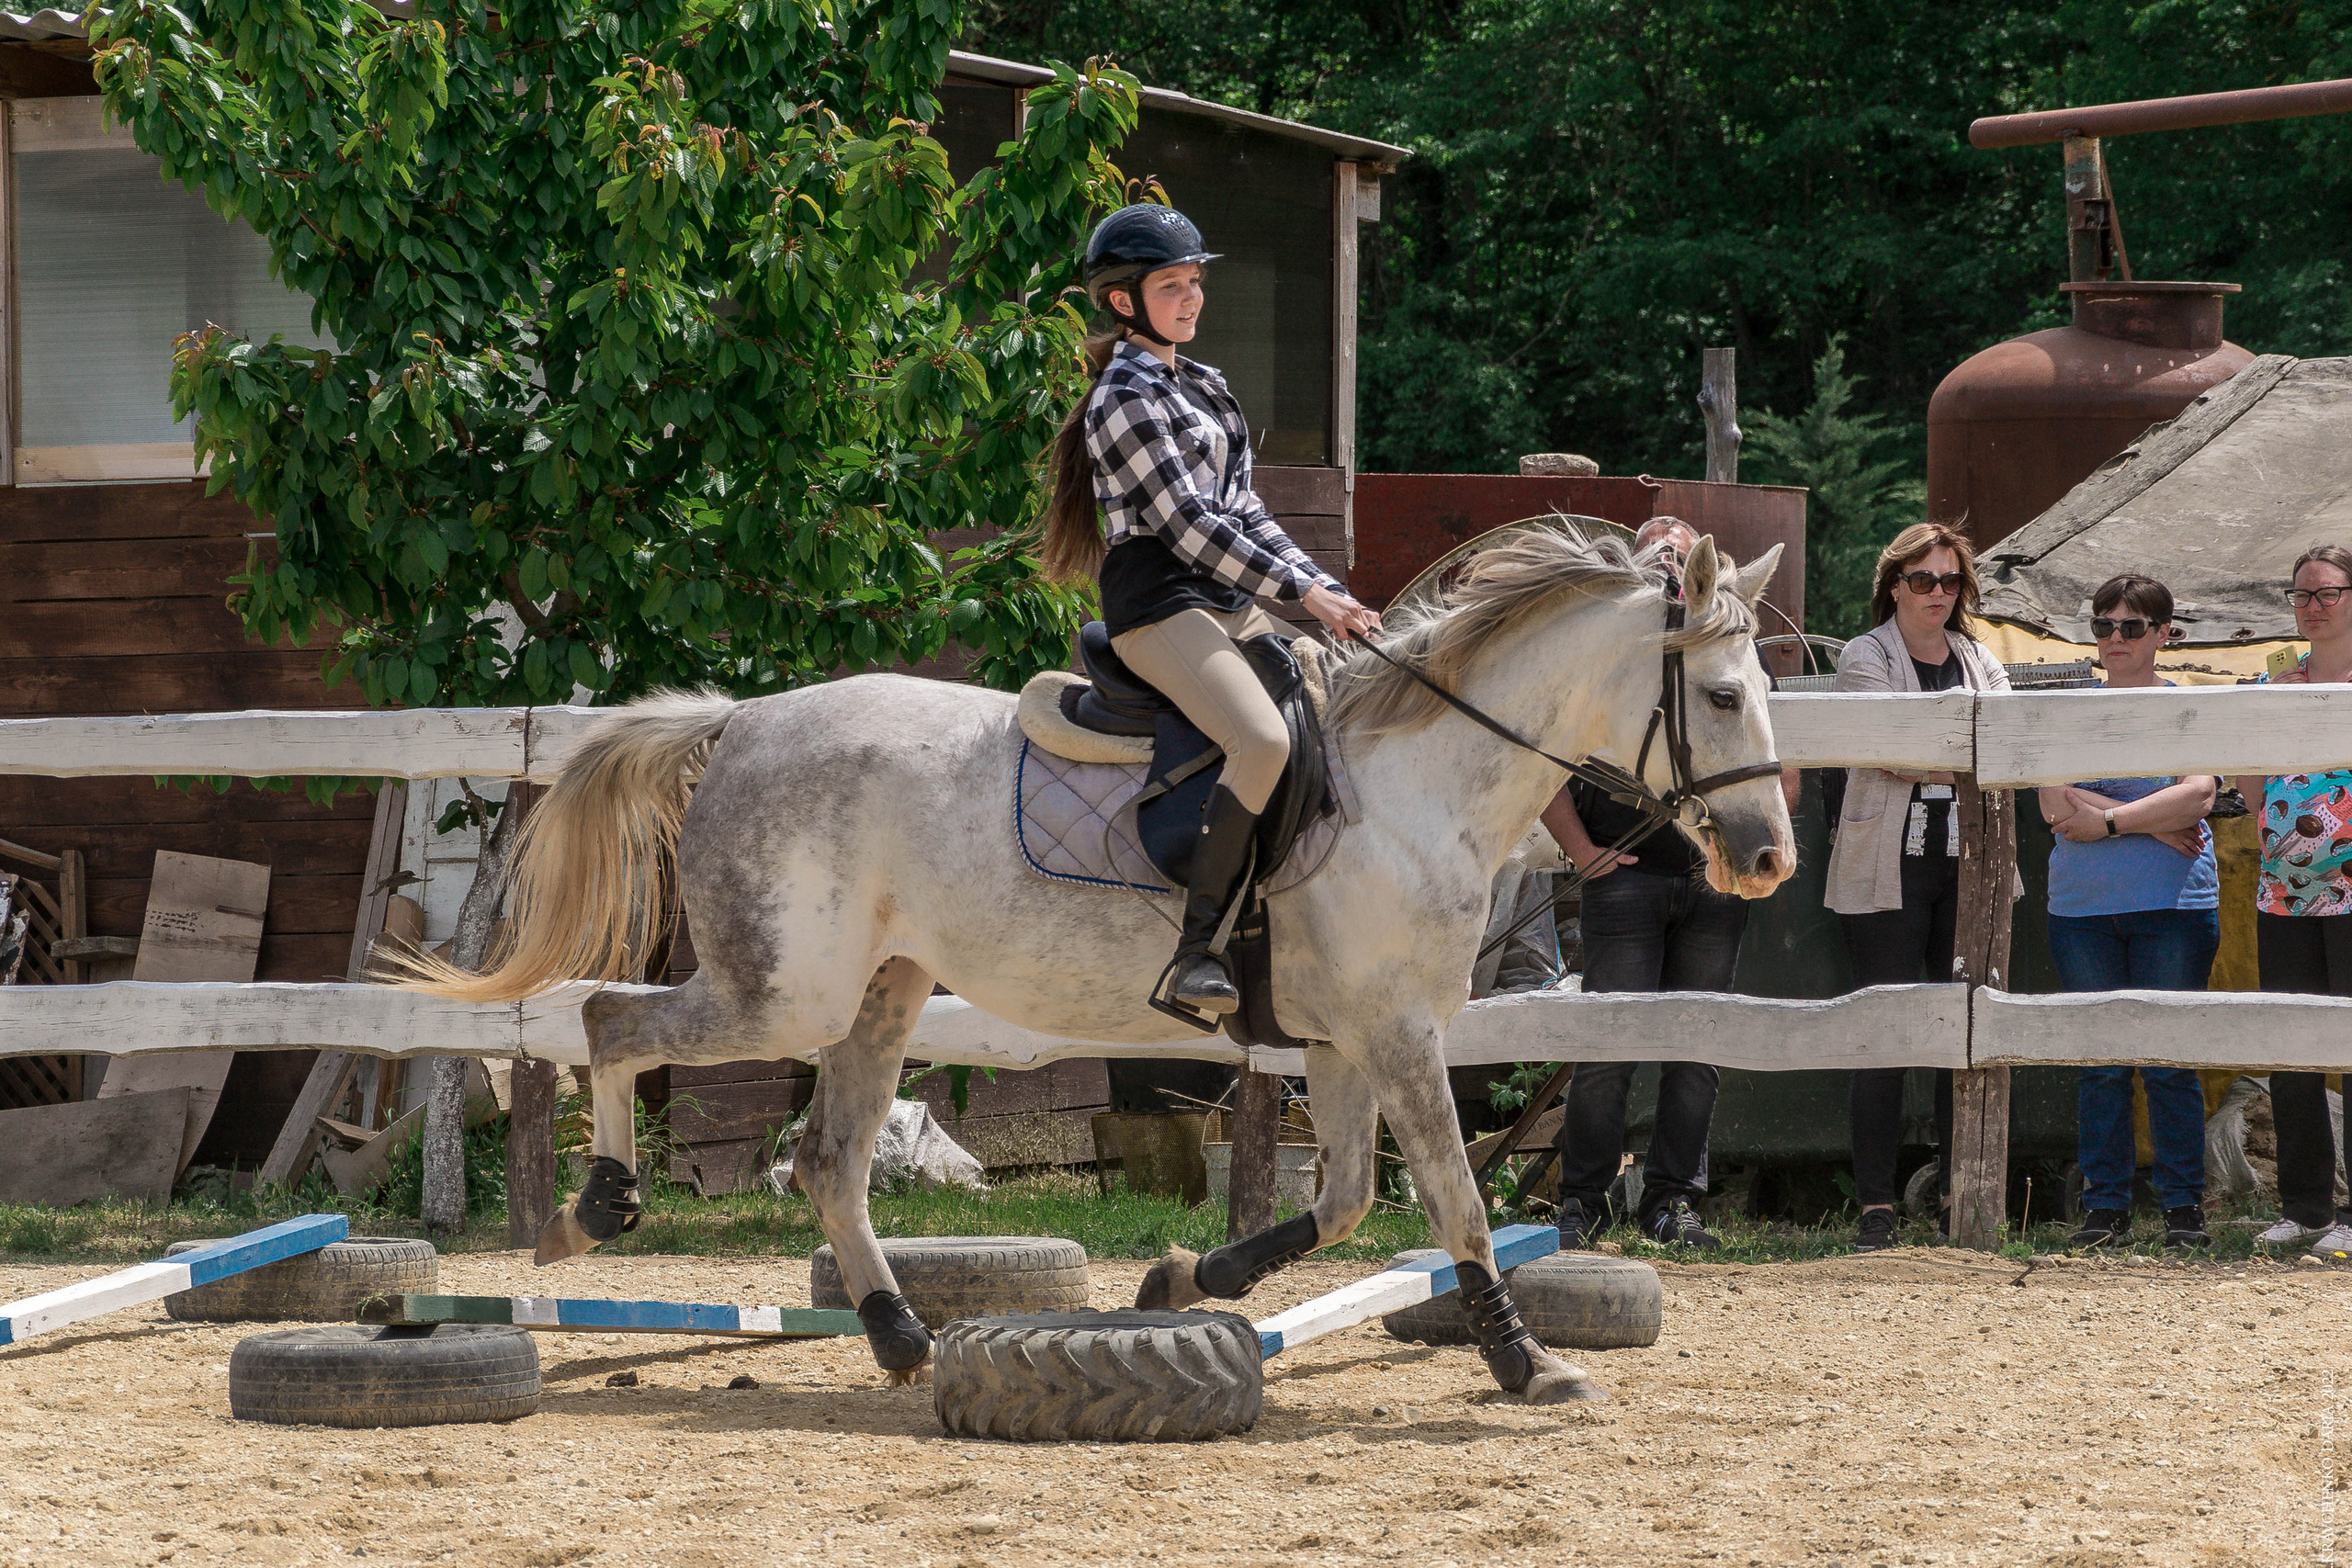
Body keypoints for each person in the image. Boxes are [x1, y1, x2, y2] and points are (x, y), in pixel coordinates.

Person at [1037, 204, 1382, 1013]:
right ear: (1123, 300)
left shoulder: (1205, 385)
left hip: (1224, 594)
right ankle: (1196, 952)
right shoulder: (1121, 397)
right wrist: (1299, 592)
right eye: (1172, 285)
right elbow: (1188, 526)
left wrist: (1328, 591)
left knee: (1336, 699)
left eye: (1195, 282)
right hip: (1159, 601)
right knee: (1260, 738)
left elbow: (1247, 512)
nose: (1192, 298)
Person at [1541, 516, 1800, 1251]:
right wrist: (1583, 849)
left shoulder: (1731, 656)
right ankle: (1584, 1199)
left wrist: (1763, 836)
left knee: (1696, 1049)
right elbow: (1546, 757)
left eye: (1679, 552)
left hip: (1710, 877)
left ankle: (1672, 1198)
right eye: (1658, 552)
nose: (1669, 562)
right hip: (1625, 874)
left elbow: (1774, 765)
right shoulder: (1616, 666)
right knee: (1608, 1046)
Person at [1825, 522, 2012, 1252]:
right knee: (1885, 1033)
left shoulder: (1979, 655)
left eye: (1950, 580)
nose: (1939, 592)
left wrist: (1936, 755)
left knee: (1963, 1032)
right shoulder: (1863, 655)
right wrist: (1955, 756)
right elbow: (1889, 747)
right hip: (1887, 867)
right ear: (1894, 585)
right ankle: (1876, 1201)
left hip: (1974, 864)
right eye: (1924, 579)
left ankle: (1955, 1196)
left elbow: (2001, 740)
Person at [2037, 574, 2219, 1250]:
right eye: (2104, 625)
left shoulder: (2191, 707)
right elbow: (2052, 803)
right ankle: (2104, 1209)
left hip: (2172, 908)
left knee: (2170, 1061)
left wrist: (2107, 820)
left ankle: (2182, 1211)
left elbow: (2198, 795)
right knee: (2102, 1063)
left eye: (2131, 627)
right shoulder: (2065, 710)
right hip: (2082, 911)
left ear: (2164, 634)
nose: (2115, 638)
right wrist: (2149, 817)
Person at [2234, 545, 2352, 1257]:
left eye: (2329, 592)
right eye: (2302, 594)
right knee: (2292, 1047)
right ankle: (2308, 1206)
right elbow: (2251, 785)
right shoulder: (2272, 683)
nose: (2313, 604)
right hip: (2283, 897)